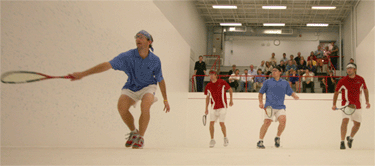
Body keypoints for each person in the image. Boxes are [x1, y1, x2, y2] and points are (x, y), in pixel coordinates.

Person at [69, 30, 170, 149]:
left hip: (148, 86)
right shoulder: (127, 56)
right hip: (131, 86)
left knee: (145, 105)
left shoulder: (155, 60)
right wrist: (83, 74)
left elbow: (160, 79)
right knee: (121, 107)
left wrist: (165, 99)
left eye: (141, 37)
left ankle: (141, 137)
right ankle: (133, 132)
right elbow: (108, 65)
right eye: (136, 37)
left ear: (150, 42)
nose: (138, 39)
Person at [257, 67, 299, 149]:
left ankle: (277, 137)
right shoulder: (267, 82)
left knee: (283, 121)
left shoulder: (285, 83)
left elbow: (290, 92)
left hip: (280, 107)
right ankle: (260, 141)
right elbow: (260, 93)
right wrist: (261, 102)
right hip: (269, 107)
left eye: (275, 71)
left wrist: (295, 96)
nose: (273, 72)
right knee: (267, 122)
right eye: (272, 71)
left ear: (280, 72)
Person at [332, 63, 370, 150]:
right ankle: (342, 141)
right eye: (348, 68)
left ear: (355, 69)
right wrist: (334, 104)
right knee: (345, 121)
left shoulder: (360, 79)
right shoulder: (343, 80)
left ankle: (350, 138)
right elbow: (336, 92)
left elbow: (365, 89)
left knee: (357, 124)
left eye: (351, 68)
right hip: (347, 105)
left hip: (358, 105)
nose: (349, 70)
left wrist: (367, 101)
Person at [204, 70, 234, 148]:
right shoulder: (208, 85)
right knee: (211, 123)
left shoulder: (222, 82)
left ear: (216, 75)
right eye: (210, 74)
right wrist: (206, 108)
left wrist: (231, 100)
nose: (211, 76)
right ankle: (212, 139)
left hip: (223, 107)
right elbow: (207, 97)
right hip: (213, 107)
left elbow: (230, 90)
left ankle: (225, 138)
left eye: (212, 74)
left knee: (221, 123)